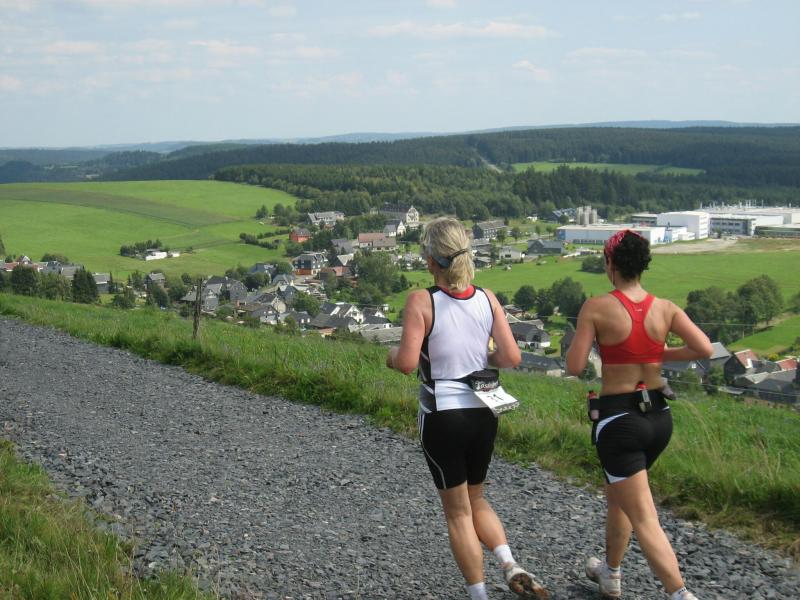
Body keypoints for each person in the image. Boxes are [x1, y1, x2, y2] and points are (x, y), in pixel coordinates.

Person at [386, 217, 549, 600]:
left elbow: (407, 363)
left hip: (443, 413)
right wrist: (480, 354)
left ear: (431, 260)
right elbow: (511, 356)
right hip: (483, 411)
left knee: (458, 513)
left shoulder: (421, 300)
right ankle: (509, 563)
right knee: (476, 498)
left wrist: (390, 356)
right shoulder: (487, 298)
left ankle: (479, 594)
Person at [566, 229, 712, 600]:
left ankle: (680, 593)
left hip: (619, 422)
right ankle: (611, 573)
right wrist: (657, 354)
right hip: (659, 418)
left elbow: (574, 366)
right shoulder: (665, 308)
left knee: (644, 517)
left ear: (610, 263)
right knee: (621, 496)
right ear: (643, 265)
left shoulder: (596, 308)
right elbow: (704, 348)